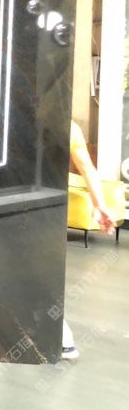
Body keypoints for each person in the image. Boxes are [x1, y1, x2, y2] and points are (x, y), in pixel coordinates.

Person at [62, 121, 117, 359]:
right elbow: (87, 168)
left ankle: (56, 331)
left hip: (44, 209)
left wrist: (99, 204)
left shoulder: (69, 128)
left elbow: (87, 168)